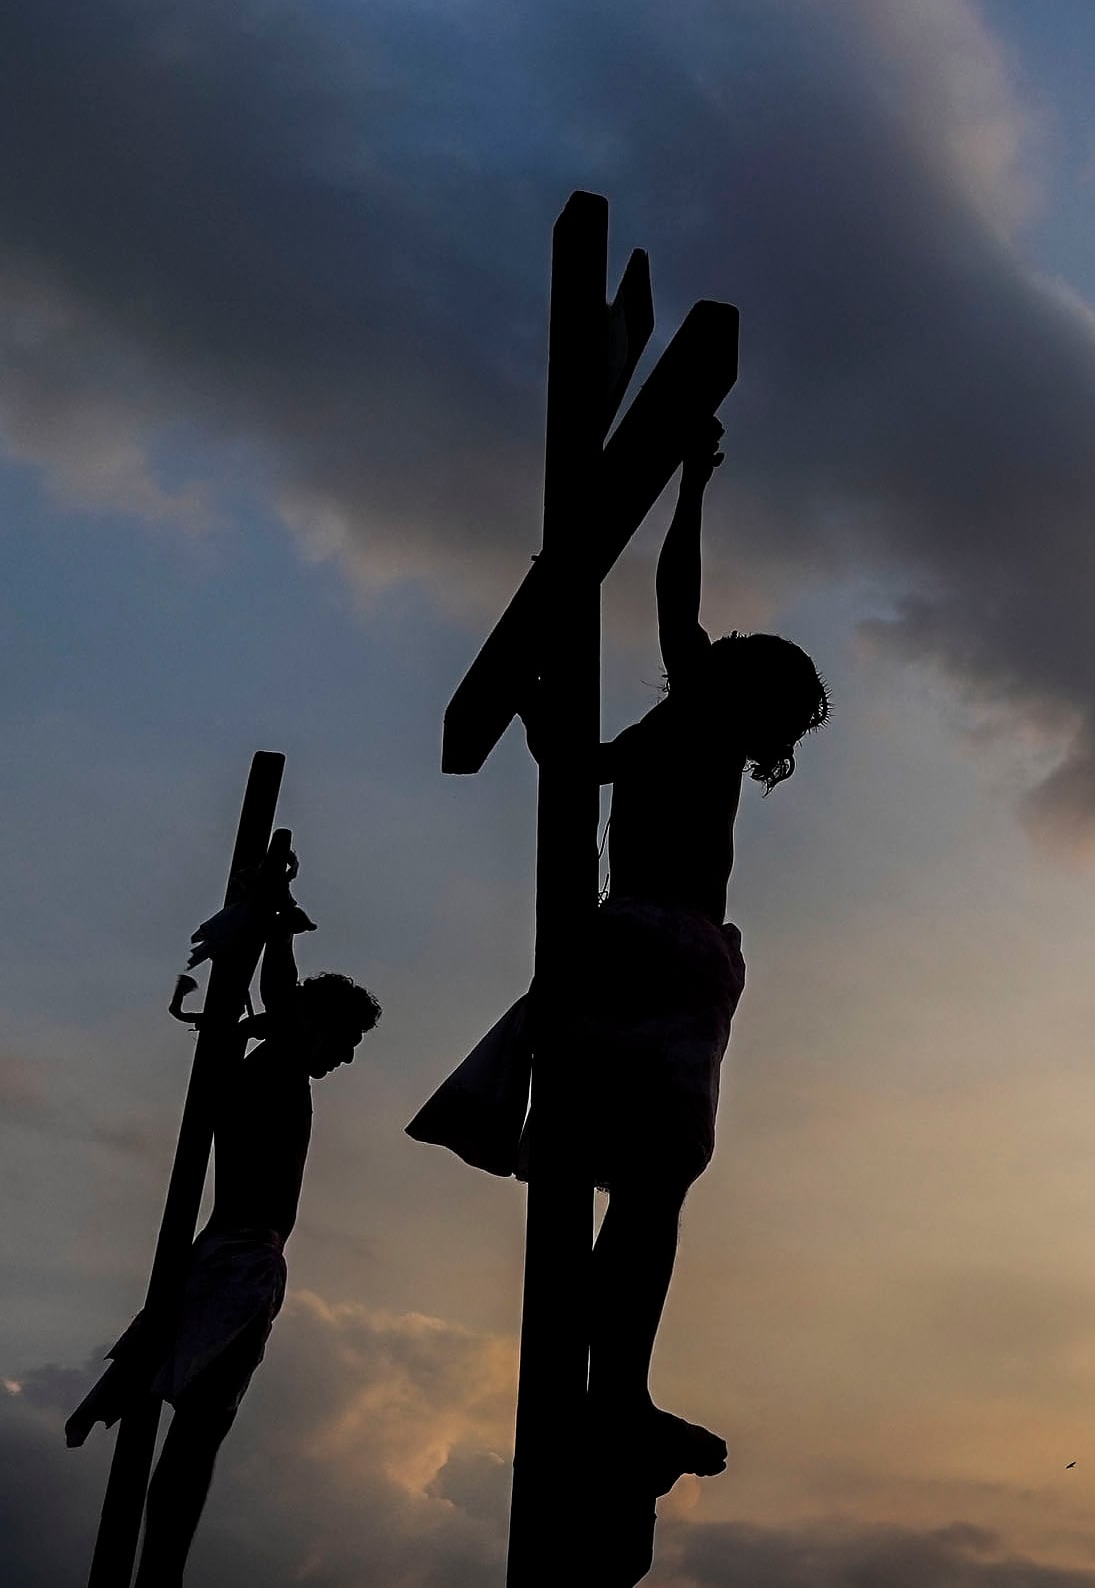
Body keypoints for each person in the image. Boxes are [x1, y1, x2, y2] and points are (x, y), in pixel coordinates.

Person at [411, 418, 830, 1498]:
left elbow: (667, 611)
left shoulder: (692, 716)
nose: (711, 644)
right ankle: (618, 1392)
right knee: (650, 1192)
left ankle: (611, 1398)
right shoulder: (711, 736)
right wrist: (543, 692)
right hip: (693, 964)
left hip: (641, 941)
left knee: (604, 1169)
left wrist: (688, 487)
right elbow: (602, 718)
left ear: (736, 680)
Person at [68, 832, 380, 1588]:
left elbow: (280, 996)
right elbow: (281, 993)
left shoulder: (269, 1060)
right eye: (341, 1038)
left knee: (198, 1427)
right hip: (241, 1255)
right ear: (310, 1018)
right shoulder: (274, 1061)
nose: (342, 1059)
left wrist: (273, 911)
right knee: (201, 1429)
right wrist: (271, 911)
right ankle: (160, 1575)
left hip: (234, 1253)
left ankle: (159, 1569)